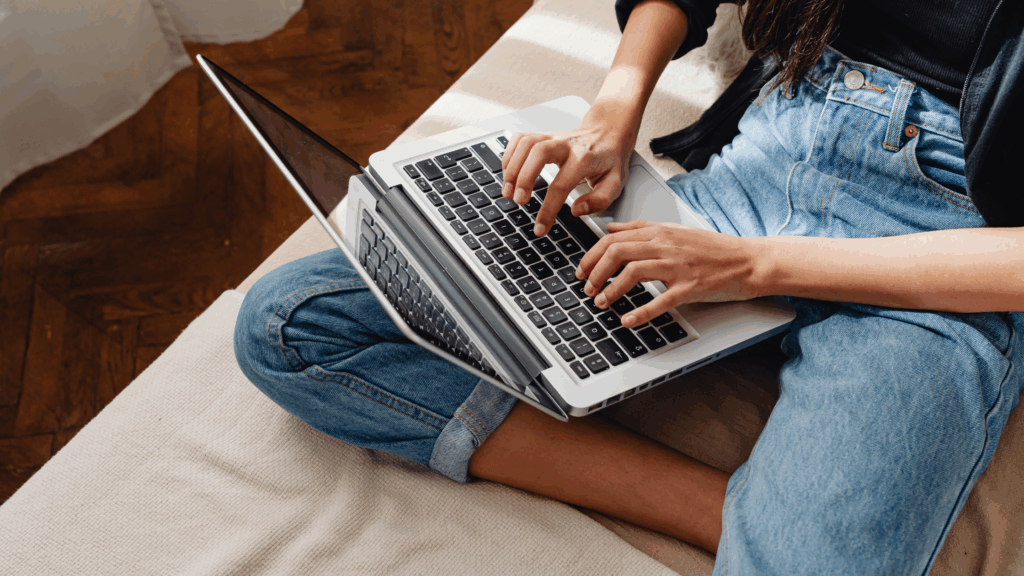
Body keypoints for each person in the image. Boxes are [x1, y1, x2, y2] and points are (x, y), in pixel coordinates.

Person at [233, 0, 1024, 573]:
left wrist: (750, 267)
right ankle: (737, 519)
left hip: (945, 244)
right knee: (293, 324)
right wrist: (611, 115)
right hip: (769, 151)